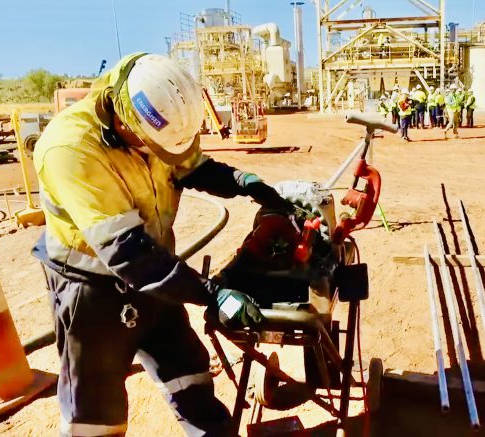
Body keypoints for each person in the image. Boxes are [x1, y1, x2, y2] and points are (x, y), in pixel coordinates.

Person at [32, 53, 294, 436]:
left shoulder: (156, 116)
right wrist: (211, 293)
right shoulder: (70, 149)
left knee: (188, 372)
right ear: (123, 120)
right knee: (96, 412)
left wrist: (242, 182)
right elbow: (125, 251)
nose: (162, 155)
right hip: (92, 290)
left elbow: (189, 165)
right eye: (153, 146)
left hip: (156, 270)